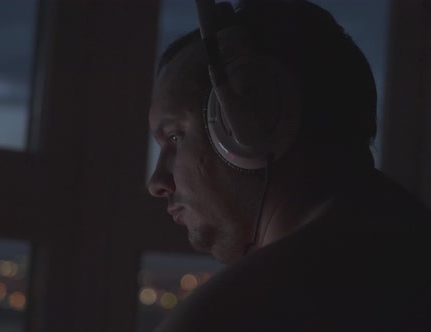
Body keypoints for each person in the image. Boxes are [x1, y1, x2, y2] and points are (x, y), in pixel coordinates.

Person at [147, 0, 431, 331]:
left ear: (256, 121)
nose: (157, 182)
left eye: (175, 137)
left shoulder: (231, 317)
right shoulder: (409, 250)